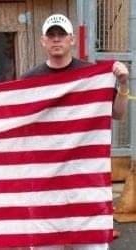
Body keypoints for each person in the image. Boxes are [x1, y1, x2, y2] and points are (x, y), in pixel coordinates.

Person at [21, 14, 129, 250]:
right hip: (45, 181)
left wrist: (123, 84)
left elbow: (118, 114)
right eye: (51, 35)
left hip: (85, 178)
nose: (56, 39)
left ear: (71, 39)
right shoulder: (29, 80)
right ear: (43, 41)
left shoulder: (93, 75)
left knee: (91, 245)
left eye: (61, 35)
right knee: (44, 244)